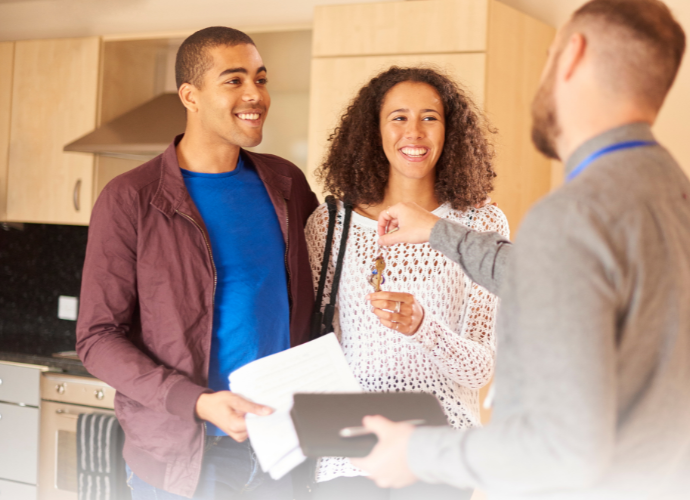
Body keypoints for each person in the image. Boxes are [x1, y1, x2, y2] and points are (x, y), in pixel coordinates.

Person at [349, 1, 690, 499]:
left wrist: (417, 452)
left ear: (572, 56)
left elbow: (561, 449)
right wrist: (440, 233)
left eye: (549, 56)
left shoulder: (573, 216)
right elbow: (550, 278)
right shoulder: (672, 195)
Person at [76, 27, 319, 499]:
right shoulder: (131, 199)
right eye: (234, 80)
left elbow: (323, 290)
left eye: (261, 79)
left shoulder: (286, 183)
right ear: (190, 95)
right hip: (189, 457)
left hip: (282, 446)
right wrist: (200, 402)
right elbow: (96, 338)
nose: (255, 94)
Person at [305, 66, 509, 499]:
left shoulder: (480, 222)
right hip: (349, 456)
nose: (414, 132)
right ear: (374, 131)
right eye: (398, 117)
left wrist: (423, 328)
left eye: (430, 117)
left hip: (440, 455)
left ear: (449, 130)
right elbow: (317, 350)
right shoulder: (331, 224)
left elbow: (479, 372)